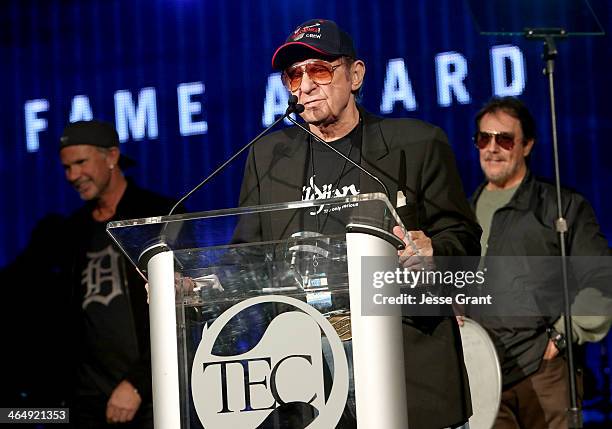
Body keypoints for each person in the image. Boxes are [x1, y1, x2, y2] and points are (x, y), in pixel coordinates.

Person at [236, 19, 481, 429]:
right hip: (308, 373)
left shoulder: (416, 144)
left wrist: (433, 251)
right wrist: (191, 286)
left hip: (405, 362)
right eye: (293, 76)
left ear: (355, 74)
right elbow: (245, 257)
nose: (305, 86)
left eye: (318, 70)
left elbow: (465, 242)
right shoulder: (268, 157)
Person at [470, 96, 612, 428]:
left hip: (545, 370)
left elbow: (601, 278)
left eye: (504, 139)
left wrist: (562, 337)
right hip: (484, 371)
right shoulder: (463, 212)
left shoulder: (561, 206)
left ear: (527, 145)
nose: (492, 148)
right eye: (483, 138)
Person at [59, 120, 178, 428]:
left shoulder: (157, 215)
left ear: (112, 156)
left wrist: (140, 383)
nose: (73, 176)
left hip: (150, 398)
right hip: (88, 403)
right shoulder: (70, 232)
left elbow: (182, 311)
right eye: (67, 167)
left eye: (81, 163)